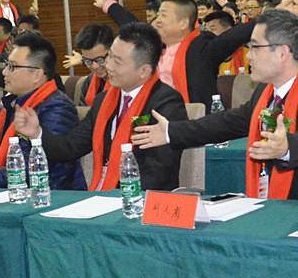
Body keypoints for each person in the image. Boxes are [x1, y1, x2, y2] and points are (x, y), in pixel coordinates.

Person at [132, 9, 298, 201]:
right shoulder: (265, 93)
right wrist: (170, 132)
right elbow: (227, 122)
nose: (249, 56)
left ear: (283, 53)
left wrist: (286, 147)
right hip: (271, 206)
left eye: (254, 47)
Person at [19, 23, 188, 191]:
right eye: (110, 57)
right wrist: (36, 133)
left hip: (138, 195)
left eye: (117, 62)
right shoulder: (104, 100)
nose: (108, 66)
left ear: (144, 71)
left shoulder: (166, 103)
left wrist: (118, 198)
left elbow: (159, 171)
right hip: (102, 192)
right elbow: (71, 146)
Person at [0, 33, 83, 189]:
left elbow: (37, 166)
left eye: (12, 67)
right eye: (6, 65)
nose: (4, 72)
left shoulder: (58, 108)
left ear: (37, 75)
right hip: (11, 190)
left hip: (49, 196)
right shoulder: (13, 104)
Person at [95, 0, 253, 106]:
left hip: (191, 122)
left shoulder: (202, 48)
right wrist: (108, 4)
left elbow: (233, 37)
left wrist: (266, 19)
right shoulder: (156, 47)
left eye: (163, 15)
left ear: (183, 23)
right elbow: (133, 25)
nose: (158, 20)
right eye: (158, 15)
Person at [67, 24, 116, 106]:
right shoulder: (88, 83)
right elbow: (84, 111)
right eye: (88, 61)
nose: (94, 66)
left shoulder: (126, 83)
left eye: (100, 60)